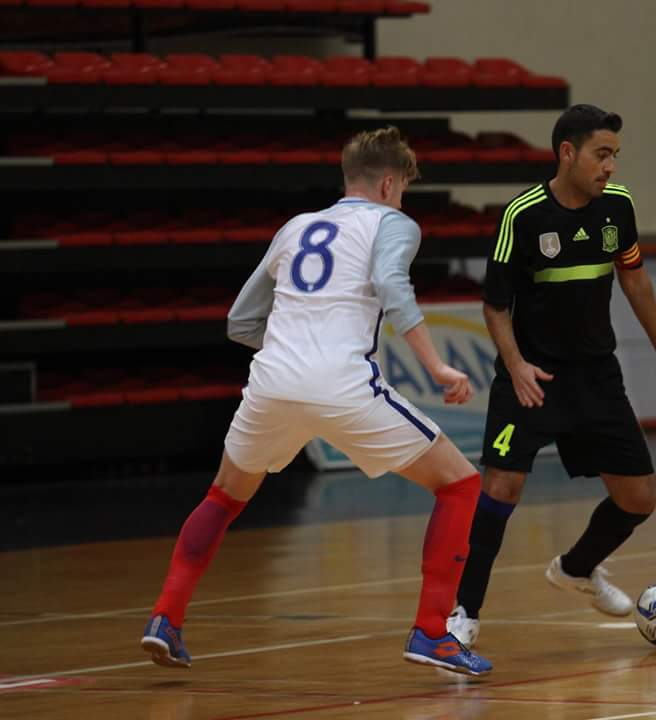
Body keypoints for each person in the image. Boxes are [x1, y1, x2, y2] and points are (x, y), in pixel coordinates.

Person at [140, 127, 492, 677]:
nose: (402, 200)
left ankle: (166, 617)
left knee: (224, 497)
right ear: (389, 182)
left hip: (272, 383)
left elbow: (240, 322)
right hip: (343, 383)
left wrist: (296, 352)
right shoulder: (392, 222)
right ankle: (431, 633)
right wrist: (439, 367)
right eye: (403, 191)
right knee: (460, 484)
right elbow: (393, 287)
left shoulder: (295, 227)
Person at [446, 105, 656, 647]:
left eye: (614, 156)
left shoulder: (619, 208)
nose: (610, 167)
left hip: (595, 377)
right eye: (601, 155)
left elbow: (634, 280)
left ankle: (577, 568)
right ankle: (463, 616)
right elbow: (495, 306)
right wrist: (515, 366)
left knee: (640, 497)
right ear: (568, 153)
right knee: (501, 486)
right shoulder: (524, 215)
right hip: (532, 375)